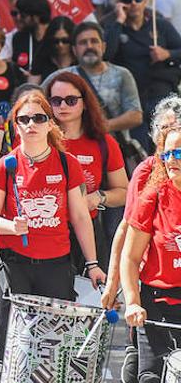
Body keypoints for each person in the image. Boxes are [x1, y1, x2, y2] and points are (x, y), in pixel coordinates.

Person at [0, 89, 105, 383]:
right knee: (2, 337)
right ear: (14, 125)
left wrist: (92, 264)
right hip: (13, 263)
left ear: (50, 123)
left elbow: (80, 216)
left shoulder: (66, 164)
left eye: (38, 118)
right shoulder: (6, 165)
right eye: (24, 119)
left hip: (56, 262)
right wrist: (10, 226)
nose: (31, 125)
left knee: (60, 340)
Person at [120, 123, 181, 383]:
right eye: (169, 153)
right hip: (156, 304)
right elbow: (130, 258)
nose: (174, 160)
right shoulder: (154, 196)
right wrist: (132, 301)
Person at [43, 71, 128, 272]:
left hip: (87, 233)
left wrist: (97, 197)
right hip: (44, 232)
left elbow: (124, 192)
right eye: (56, 100)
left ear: (85, 102)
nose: (62, 106)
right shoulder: (38, 139)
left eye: (71, 100)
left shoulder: (104, 143)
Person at [103, 0, 181, 151]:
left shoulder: (159, 25)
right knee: (141, 148)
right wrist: (119, 21)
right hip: (132, 98)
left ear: (145, 1)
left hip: (161, 92)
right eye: (127, 0)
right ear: (120, 3)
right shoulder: (113, 25)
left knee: (166, 143)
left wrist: (167, 53)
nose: (133, 4)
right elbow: (106, 55)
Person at [53, 21, 142, 139]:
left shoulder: (122, 74)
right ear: (74, 50)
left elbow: (136, 116)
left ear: (103, 46)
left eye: (94, 41)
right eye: (83, 43)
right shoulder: (61, 78)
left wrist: (102, 126)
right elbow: (38, 104)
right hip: (72, 150)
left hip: (113, 148)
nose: (89, 46)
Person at [10, 0, 52, 74]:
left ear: (36, 17)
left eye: (23, 15)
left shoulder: (56, 37)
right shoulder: (19, 38)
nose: (18, 18)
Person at [31, 16, 77, 80]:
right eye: (56, 41)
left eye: (65, 41)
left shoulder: (80, 60)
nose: (60, 45)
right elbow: (33, 86)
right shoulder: (42, 59)